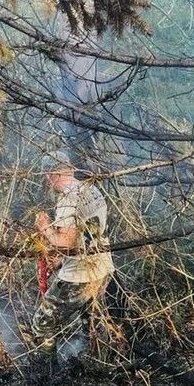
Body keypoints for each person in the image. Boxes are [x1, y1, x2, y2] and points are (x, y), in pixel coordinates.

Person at [28, 152, 114, 358]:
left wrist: (45, 227)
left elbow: (66, 244)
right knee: (92, 320)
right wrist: (60, 260)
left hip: (79, 277)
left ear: (50, 175)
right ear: (71, 169)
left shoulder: (68, 200)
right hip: (102, 269)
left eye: (46, 177)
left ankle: (45, 377)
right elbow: (88, 235)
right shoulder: (91, 188)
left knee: (43, 325)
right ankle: (98, 364)